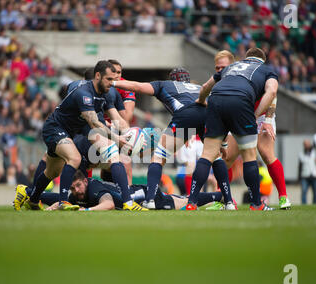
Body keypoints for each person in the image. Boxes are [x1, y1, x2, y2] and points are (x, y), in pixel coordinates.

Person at [21, 60, 146, 211]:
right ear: (98, 76)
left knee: (51, 171)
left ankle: (31, 198)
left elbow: (118, 119)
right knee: (74, 158)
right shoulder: (83, 93)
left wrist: (130, 135)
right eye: (109, 79)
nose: (113, 83)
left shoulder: (108, 92)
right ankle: (62, 202)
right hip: (55, 128)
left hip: (74, 131)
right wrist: (117, 138)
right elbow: (94, 123)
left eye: (114, 80)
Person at [113, 67, 234, 210]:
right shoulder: (198, 87)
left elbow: (137, 86)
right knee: (215, 157)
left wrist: (113, 83)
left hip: (186, 115)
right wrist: (224, 144)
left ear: (173, 79)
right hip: (210, 116)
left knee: (158, 157)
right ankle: (229, 202)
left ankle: (150, 199)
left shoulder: (165, 85)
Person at [186, 47, 278, 211]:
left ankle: (191, 203)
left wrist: (201, 100)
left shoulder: (231, 68)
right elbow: (272, 91)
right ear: (262, 61)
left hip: (216, 100)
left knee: (207, 155)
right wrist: (255, 115)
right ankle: (256, 204)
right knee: (249, 155)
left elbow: (206, 86)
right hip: (241, 100)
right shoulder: (266, 70)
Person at [211, 50, 292, 210]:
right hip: (242, 112)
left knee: (267, 154)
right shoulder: (239, 71)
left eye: (222, 67)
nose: (220, 70)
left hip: (260, 115)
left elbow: (272, 95)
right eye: (217, 68)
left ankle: (283, 197)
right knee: (228, 157)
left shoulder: (262, 71)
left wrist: (267, 120)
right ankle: (224, 199)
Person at [22, 170, 224, 211]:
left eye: (78, 186)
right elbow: (57, 198)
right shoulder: (76, 193)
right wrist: (30, 195)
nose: (76, 191)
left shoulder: (93, 189)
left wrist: (85, 211)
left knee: (184, 203)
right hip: (136, 192)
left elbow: (109, 205)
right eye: (73, 188)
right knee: (183, 199)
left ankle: (218, 196)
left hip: (144, 195)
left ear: (86, 181)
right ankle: (219, 196)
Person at [298, 139, 316, 204]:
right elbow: (300, 166)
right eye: (305, 144)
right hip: (305, 175)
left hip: (315, 175)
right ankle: (304, 204)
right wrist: (299, 178)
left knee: (315, 192)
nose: (306, 145)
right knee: (304, 191)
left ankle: (315, 204)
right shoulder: (301, 154)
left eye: (307, 144)